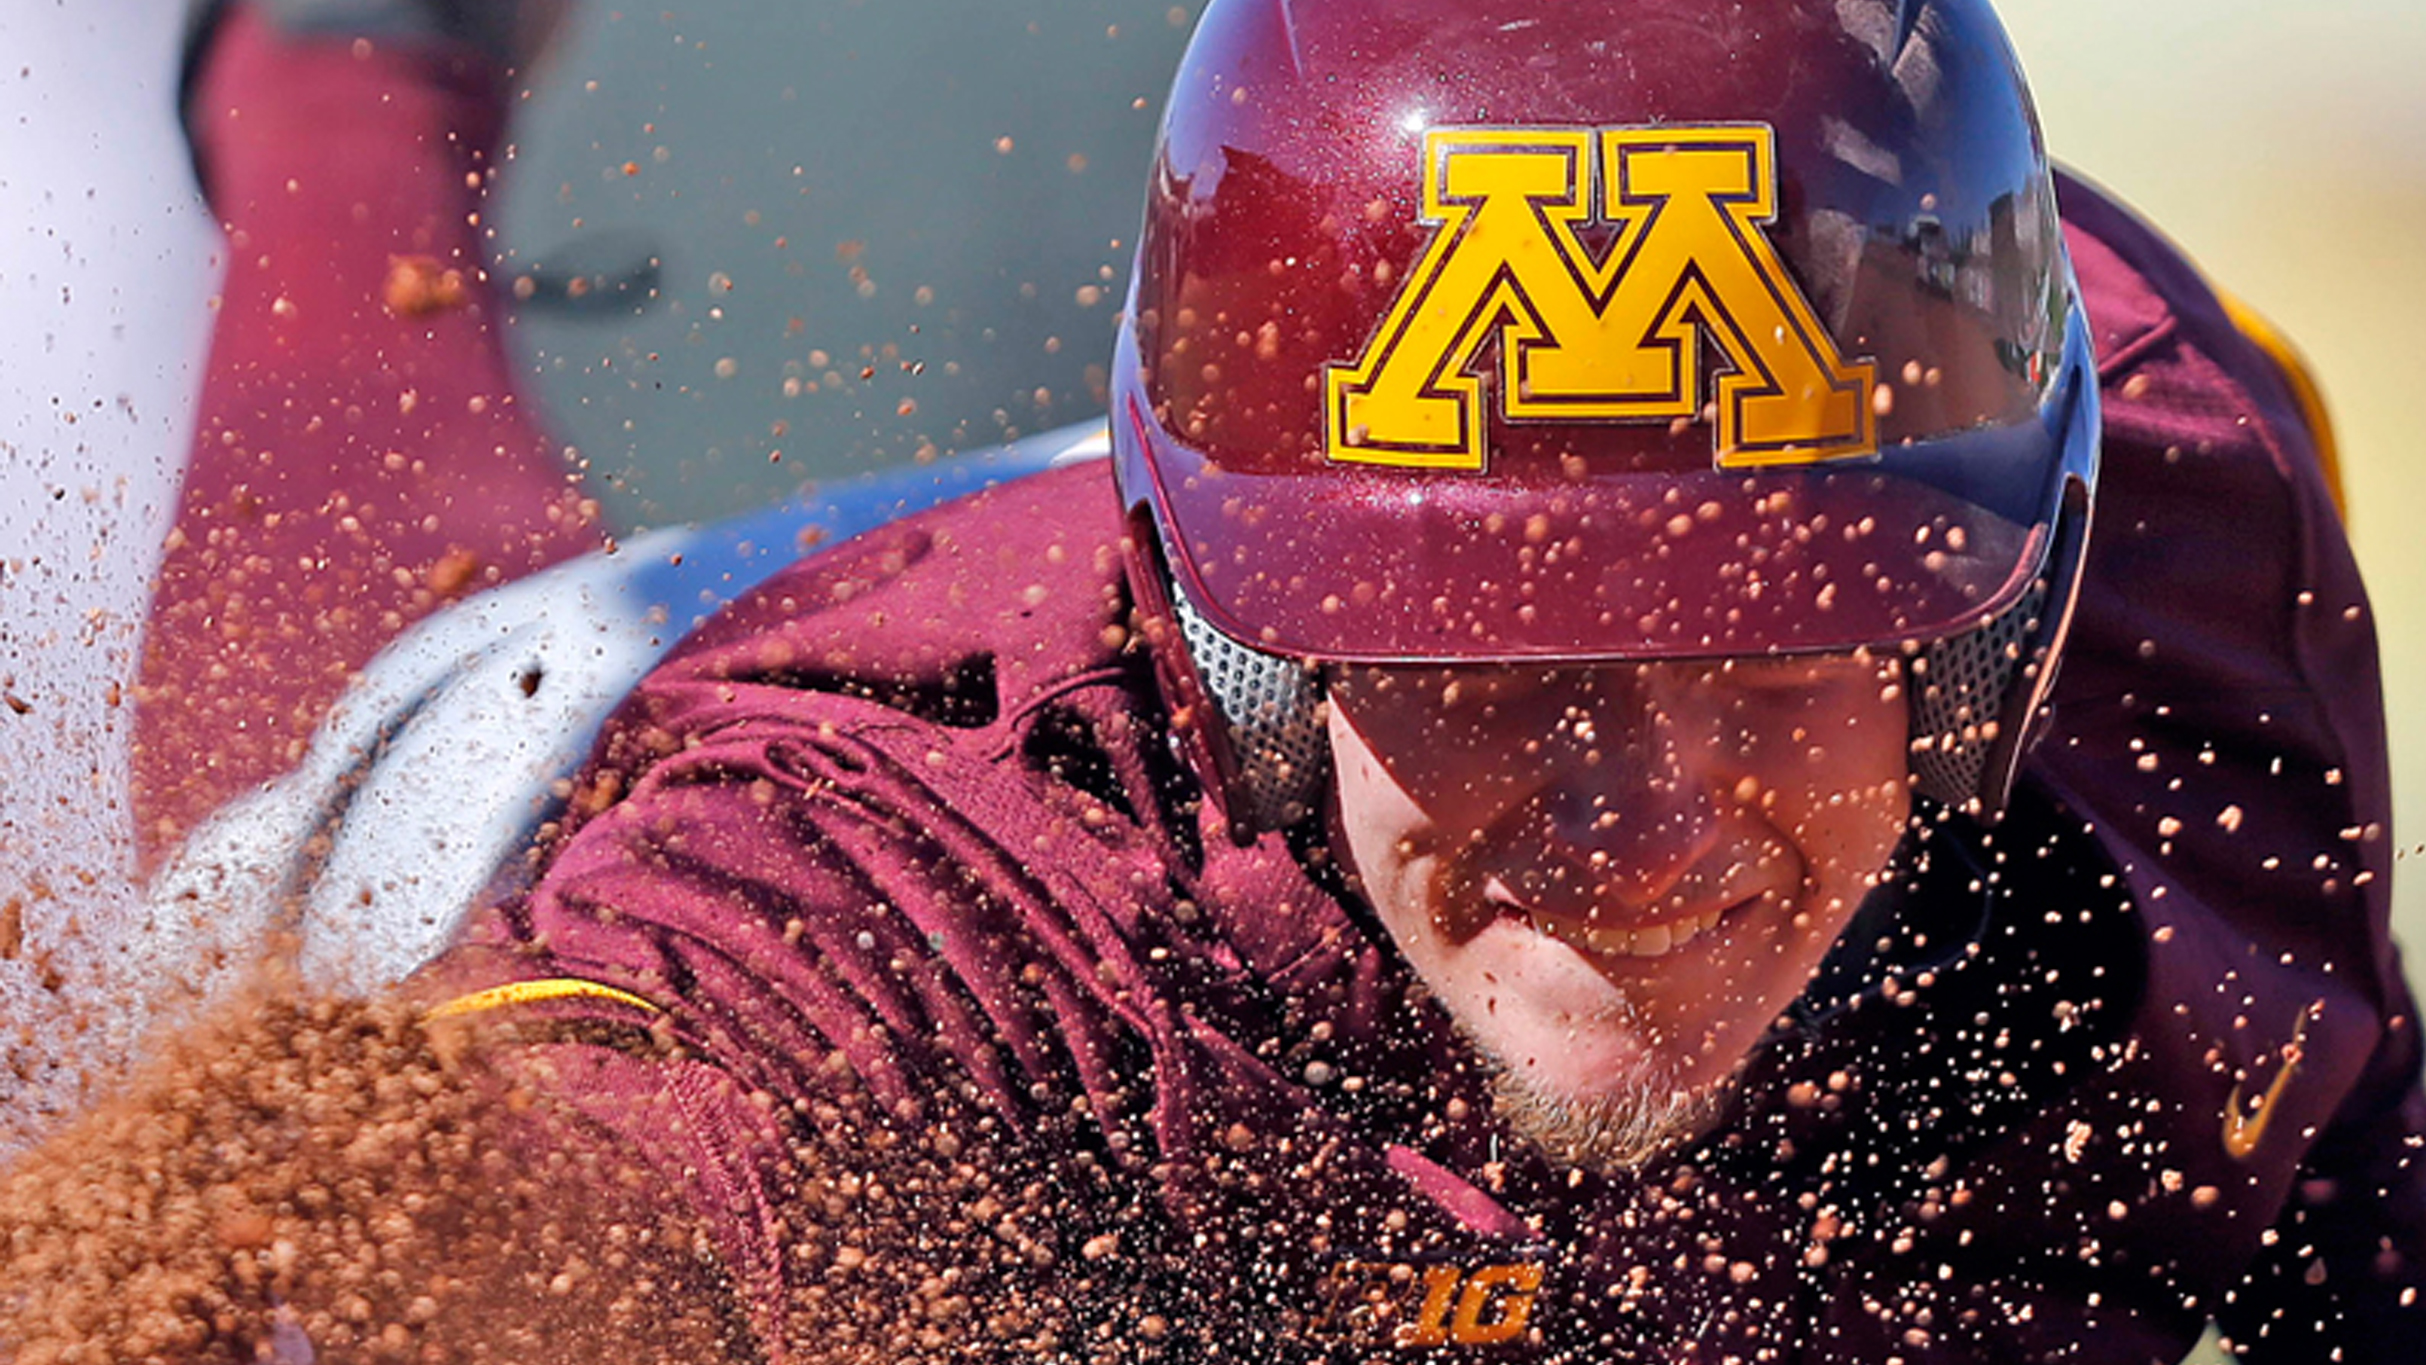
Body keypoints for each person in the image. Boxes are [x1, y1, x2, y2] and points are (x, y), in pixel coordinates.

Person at [6, 1, 2420, 1362]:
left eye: (1781, 644)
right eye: (1488, 665)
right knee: (356, 348)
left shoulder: (2171, 580)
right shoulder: (933, 882)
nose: (1652, 813)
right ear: (1233, 626)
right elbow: (515, 1187)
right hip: (497, 722)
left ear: (1994, 605)